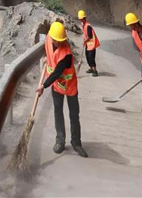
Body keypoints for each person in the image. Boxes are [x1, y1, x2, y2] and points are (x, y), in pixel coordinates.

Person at [36, 21, 88, 157]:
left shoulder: (66, 54)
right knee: (58, 112)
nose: (59, 43)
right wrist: (48, 58)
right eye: (56, 40)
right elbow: (49, 52)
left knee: (74, 114)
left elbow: (57, 72)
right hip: (56, 86)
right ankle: (60, 140)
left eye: (61, 41)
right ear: (51, 37)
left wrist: (43, 86)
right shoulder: (48, 39)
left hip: (69, 86)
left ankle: (76, 143)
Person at [78, 10, 100, 77]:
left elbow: (90, 36)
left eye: (82, 19)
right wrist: (84, 40)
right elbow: (85, 34)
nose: (81, 20)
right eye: (80, 19)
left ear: (84, 18)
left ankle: (95, 70)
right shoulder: (83, 25)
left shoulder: (88, 26)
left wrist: (85, 41)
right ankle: (91, 68)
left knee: (91, 58)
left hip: (92, 45)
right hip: (88, 44)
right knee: (87, 57)